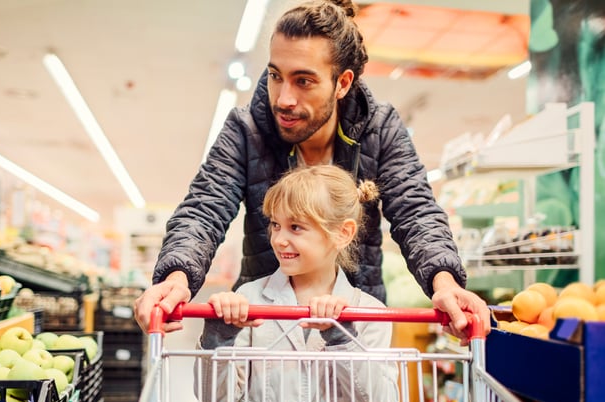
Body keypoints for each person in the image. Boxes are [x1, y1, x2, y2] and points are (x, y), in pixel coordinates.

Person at [134, 0, 490, 339]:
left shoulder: (380, 129)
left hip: (354, 327)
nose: (284, 99)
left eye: (303, 81)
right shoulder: (246, 129)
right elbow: (204, 208)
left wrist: (445, 282)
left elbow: (415, 210)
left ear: (343, 83)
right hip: (264, 324)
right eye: (276, 76)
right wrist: (176, 277)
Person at [194, 164, 399, 402]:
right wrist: (218, 341)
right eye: (276, 225)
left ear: (343, 233)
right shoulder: (250, 299)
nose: (278, 240)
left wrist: (343, 340)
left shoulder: (369, 312)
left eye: (296, 227)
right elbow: (216, 399)